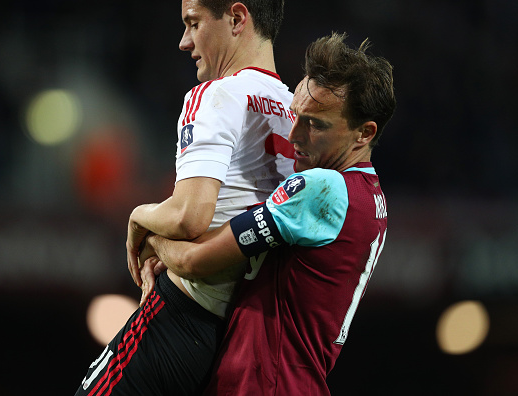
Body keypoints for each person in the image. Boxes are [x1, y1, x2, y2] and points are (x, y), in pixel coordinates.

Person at [138, 31, 396, 395]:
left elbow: (195, 260)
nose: (293, 134)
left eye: (315, 124)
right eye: (296, 115)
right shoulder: (369, 198)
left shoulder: (323, 189)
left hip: (265, 386)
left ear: (363, 134)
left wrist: (151, 235)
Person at [75, 1, 294, 395]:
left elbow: (189, 216)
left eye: (193, 24)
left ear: (237, 18)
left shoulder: (215, 95)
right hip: (241, 339)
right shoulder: (298, 113)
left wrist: (138, 218)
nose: (184, 41)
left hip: (179, 319)